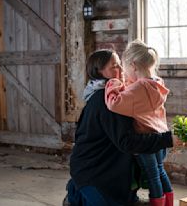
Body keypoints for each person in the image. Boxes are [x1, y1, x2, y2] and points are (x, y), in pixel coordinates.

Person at [67, 50, 174, 206]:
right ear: (99, 71)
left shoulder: (116, 93)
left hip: (112, 167)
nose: (121, 70)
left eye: (120, 64)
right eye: (114, 66)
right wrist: (168, 139)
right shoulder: (107, 100)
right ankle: (78, 190)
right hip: (94, 170)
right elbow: (128, 142)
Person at [105, 40, 173, 206]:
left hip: (145, 140)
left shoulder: (139, 88)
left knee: (152, 175)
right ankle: (169, 202)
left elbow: (115, 103)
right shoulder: (156, 83)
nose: (124, 72)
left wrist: (112, 84)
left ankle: (157, 203)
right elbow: (136, 91)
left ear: (133, 65)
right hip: (160, 136)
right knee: (160, 171)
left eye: (125, 68)